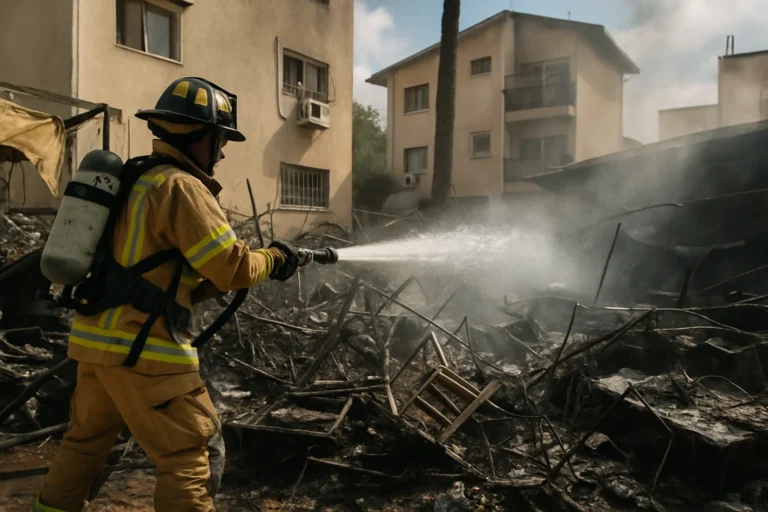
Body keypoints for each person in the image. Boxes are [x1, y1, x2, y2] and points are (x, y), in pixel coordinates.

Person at [33, 77, 299, 512]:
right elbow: (232, 268)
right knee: (189, 455)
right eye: (221, 138)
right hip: (144, 352)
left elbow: (157, 275)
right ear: (202, 134)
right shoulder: (181, 188)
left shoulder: (135, 179)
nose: (223, 150)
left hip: (95, 346)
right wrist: (276, 258)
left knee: (83, 444)